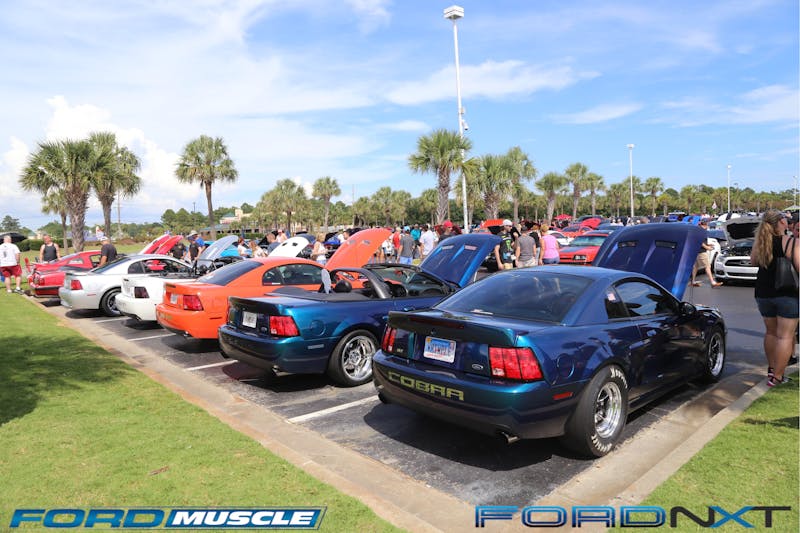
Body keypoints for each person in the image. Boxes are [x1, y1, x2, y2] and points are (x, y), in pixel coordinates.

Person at [750, 210, 800, 387]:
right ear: (782, 222)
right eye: (785, 218)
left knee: (770, 333)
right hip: (787, 293)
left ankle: (772, 370)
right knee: (785, 336)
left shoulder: (760, 242)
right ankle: (777, 377)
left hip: (763, 293)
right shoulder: (791, 242)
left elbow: (753, 262)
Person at [690, 220, 722, 287]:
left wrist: (708, 244)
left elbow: (700, 241)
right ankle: (712, 282)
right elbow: (699, 241)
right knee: (707, 266)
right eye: (706, 225)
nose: (707, 227)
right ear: (704, 225)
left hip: (696, 251)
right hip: (701, 252)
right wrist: (707, 247)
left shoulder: (697, 231)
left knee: (695, 267)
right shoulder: (701, 231)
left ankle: (693, 281)